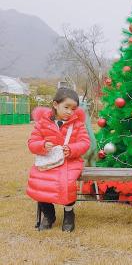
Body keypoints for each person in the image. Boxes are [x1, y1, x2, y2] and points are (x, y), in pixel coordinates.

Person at [27, 87, 90, 232]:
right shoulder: (43, 122)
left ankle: (69, 213)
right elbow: (32, 143)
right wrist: (42, 145)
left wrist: (72, 149)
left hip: (70, 161)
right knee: (38, 181)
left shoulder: (78, 124)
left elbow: (84, 142)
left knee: (67, 182)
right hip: (48, 160)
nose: (70, 112)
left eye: (73, 109)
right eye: (66, 107)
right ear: (55, 104)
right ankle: (49, 215)